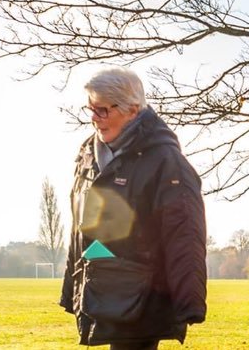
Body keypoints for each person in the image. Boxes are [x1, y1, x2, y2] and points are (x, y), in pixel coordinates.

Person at [60, 67, 207, 349]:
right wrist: (72, 289)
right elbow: (79, 229)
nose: (94, 119)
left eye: (102, 110)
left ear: (133, 110)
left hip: (142, 295)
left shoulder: (165, 160)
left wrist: (189, 301)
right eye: (90, 109)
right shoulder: (87, 155)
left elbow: (185, 233)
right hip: (98, 287)